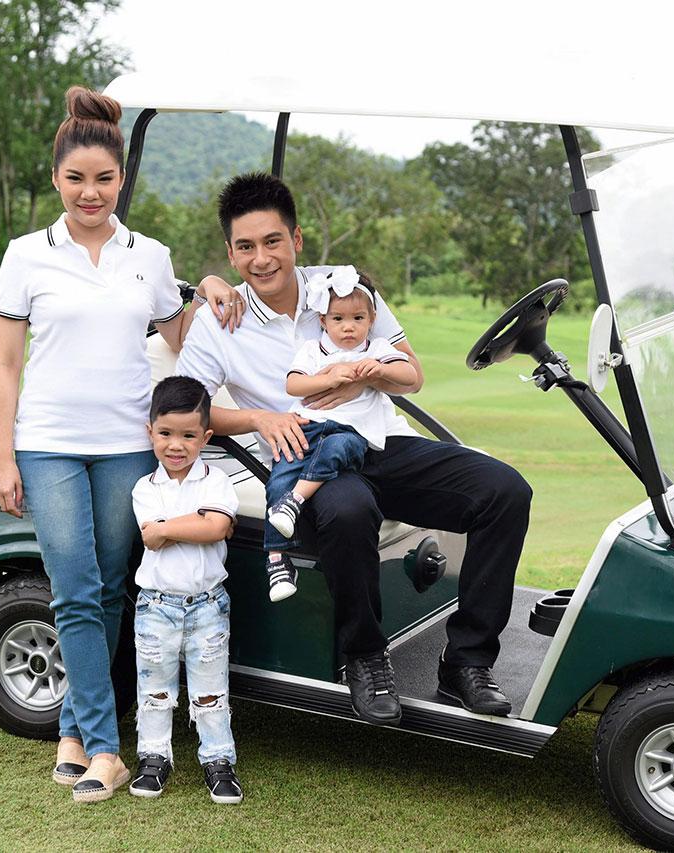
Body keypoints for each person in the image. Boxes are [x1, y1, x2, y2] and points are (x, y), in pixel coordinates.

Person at [176, 172, 532, 726]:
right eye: (245, 247)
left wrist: (367, 376)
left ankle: (467, 662)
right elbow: (189, 411)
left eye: (272, 241)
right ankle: (365, 657)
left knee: (504, 491)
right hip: (307, 459)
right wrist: (259, 417)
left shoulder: (345, 290)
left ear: (296, 239)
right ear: (230, 252)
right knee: (349, 510)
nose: (261, 259)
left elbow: (411, 374)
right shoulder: (219, 320)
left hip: (380, 442)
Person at [0, 85, 243, 804]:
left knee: (106, 590)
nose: (90, 192)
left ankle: (74, 732)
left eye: (103, 178)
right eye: (76, 178)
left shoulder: (150, 256)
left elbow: (186, 340)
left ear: (121, 179)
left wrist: (209, 285)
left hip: (127, 446)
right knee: (74, 589)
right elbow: (6, 366)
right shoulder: (25, 255)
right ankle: (107, 749)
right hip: (48, 444)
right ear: (56, 179)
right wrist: (4, 455)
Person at [263, 267, 418, 603]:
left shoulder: (375, 349)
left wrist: (380, 370)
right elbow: (294, 384)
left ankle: (296, 499)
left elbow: (409, 374)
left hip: (351, 429)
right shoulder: (313, 350)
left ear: (372, 320)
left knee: (337, 449)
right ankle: (277, 559)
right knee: (279, 474)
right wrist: (328, 379)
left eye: (358, 318)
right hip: (308, 425)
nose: (348, 327)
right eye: (338, 319)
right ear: (323, 321)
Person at [128, 376, 243, 803]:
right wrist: (194, 524)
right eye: (166, 434)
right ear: (150, 432)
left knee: (211, 691)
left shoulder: (217, 481)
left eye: (188, 436)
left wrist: (171, 527)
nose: (176, 446)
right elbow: (151, 537)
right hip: (156, 605)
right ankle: (153, 757)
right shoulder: (145, 487)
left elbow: (216, 526)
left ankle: (218, 760)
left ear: (205, 437)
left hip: (208, 604)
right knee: (154, 689)